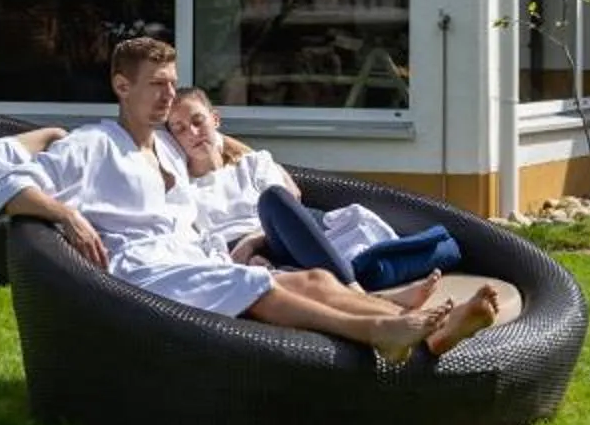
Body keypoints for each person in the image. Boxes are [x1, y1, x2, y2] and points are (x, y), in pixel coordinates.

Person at [0, 38, 496, 363]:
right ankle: (382, 332)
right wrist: (68, 217)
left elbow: (216, 145)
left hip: (192, 257)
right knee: (264, 289)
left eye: (172, 83)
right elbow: (7, 187)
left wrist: (232, 150)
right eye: (156, 85)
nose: (168, 96)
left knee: (316, 278)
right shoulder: (93, 144)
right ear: (121, 87)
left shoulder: (164, 155)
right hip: (143, 270)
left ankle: (423, 331)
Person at [163, 89, 465, 295]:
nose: (191, 132)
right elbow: (200, 245)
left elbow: (286, 204)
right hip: (254, 260)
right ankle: (363, 294)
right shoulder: (184, 192)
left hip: (284, 237)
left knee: (272, 199)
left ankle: (353, 291)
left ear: (215, 119)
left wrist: (252, 243)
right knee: (371, 271)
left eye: (197, 120)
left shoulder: (253, 163)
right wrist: (243, 257)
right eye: (178, 128)